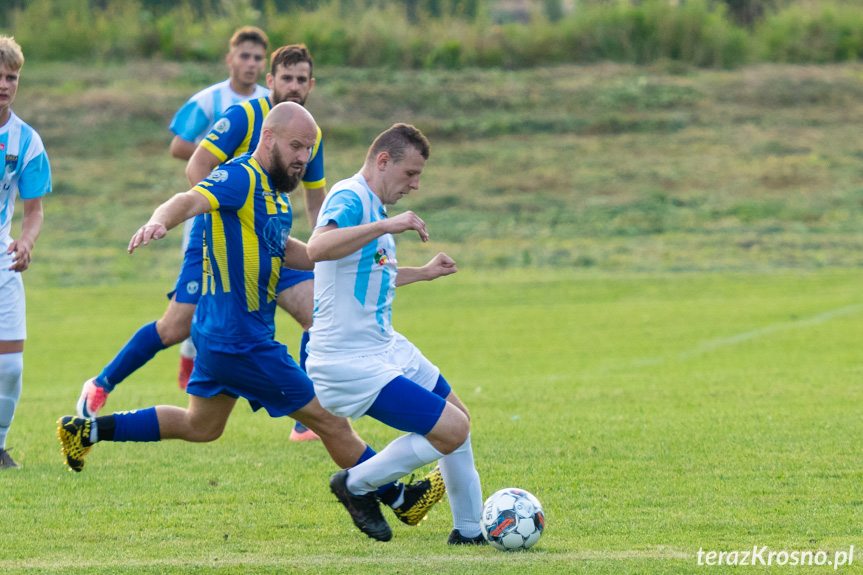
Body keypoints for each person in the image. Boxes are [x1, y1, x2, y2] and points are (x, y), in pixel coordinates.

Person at [57, 104, 445, 529]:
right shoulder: (241, 176)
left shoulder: (275, 197)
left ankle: (86, 431)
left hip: (221, 337)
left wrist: (356, 258)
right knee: (330, 420)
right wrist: (158, 221)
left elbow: (299, 254)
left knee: (201, 425)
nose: (302, 157)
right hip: (240, 340)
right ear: (268, 139)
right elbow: (189, 198)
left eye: (309, 149)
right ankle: (399, 496)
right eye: (296, 146)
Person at [76, 44, 324, 441]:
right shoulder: (245, 116)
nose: (294, 87)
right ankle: (102, 383)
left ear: (311, 84)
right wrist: (231, 218)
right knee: (175, 326)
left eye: (301, 80)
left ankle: (304, 421)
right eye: (286, 78)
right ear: (270, 81)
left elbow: (315, 200)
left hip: (271, 244)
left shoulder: (308, 133)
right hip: (220, 243)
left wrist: (329, 248)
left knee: (316, 314)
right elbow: (195, 168)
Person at [305, 123, 485, 544]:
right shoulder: (350, 197)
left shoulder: (375, 208)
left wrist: (422, 273)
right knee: (450, 429)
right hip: (347, 361)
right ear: (383, 161)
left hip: (385, 347)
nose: (415, 185)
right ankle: (355, 485)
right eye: (410, 174)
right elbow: (317, 248)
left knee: (459, 420)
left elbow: (370, 275)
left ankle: (470, 531)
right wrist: (386, 227)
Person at [169, 26, 270, 388]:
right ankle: (188, 357)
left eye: (258, 58)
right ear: (230, 59)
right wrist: (218, 156)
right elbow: (180, 145)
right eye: (244, 56)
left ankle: (233, 364)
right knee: (197, 288)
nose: (251, 63)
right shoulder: (211, 100)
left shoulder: (270, 102)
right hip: (209, 209)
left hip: (254, 214)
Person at [0, 36, 52, 469]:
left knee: (11, 366)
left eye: (11, 77)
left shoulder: (27, 141)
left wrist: (26, 241)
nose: (3, 84)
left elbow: (33, 211)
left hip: (3, 259)